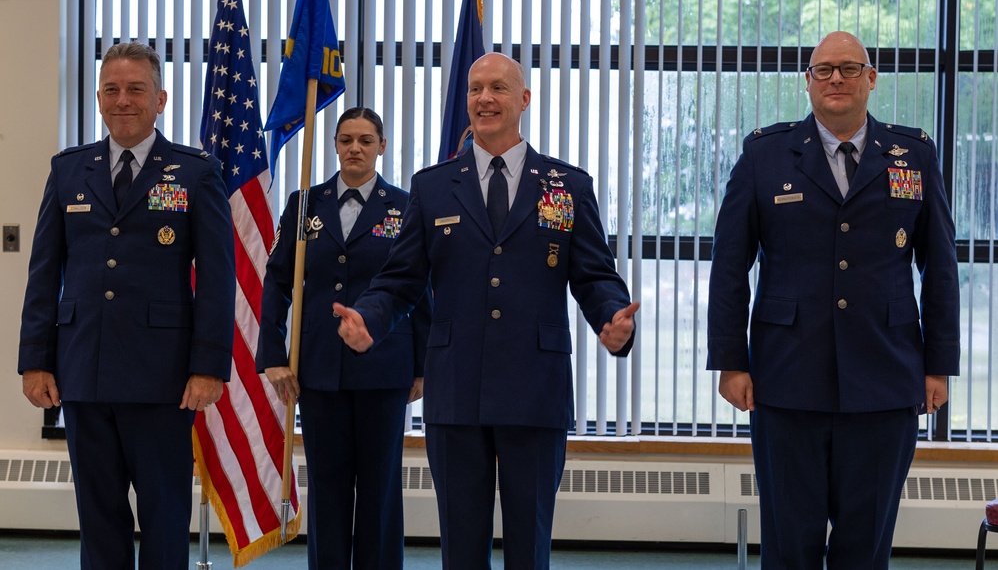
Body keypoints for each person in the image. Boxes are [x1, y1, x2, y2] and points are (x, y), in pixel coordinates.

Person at [334, 52, 640, 569]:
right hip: (457, 389)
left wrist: (613, 320)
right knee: (461, 544)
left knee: (529, 544)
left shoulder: (566, 186)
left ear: (523, 100)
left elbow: (594, 276)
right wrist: (370, 317)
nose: (484, 98)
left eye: (498, 88)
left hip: (535, 387)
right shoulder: (432, 186)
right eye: (476, 89)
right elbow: (401, 278)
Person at [707, 31, 959, 569]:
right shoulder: (764, 154)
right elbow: (730, 265)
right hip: (786, 378)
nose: (835, 79)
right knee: (790, 544)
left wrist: (938, 365)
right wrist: (730, 362)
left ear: (871, 79)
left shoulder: (912, 154)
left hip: (885, 380)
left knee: (864, 547)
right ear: (807, 82)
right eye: (823, 70)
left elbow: (938, 266)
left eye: (849, 69)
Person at [18, 41, 236, 570]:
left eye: (136, 89)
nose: (123, 100)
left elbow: (216, 277)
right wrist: (35, 360)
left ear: (160, 99)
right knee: (99, 514)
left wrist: (208, 367)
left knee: (163, 515)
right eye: (112, 90)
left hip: (162, 378)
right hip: (83, 369)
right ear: (98, 98)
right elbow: (45, 270)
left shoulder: (194, 172)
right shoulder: (70, 170)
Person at [257, 107, 430, 570]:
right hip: (317, 370)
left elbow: (420, 288)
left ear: (382, 146)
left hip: (385, 369)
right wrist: (272, 355)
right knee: (329, 490)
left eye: (366, 140)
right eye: (347, 139)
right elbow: (276, 284)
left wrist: (421, 366)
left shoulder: (407, 206)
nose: (356, 148)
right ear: (333, 144)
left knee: (379, 490)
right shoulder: (304, 204)